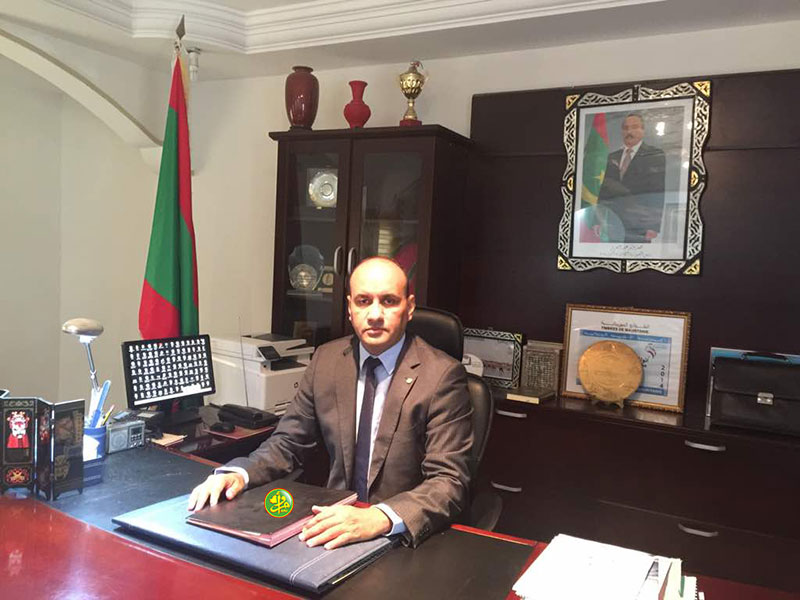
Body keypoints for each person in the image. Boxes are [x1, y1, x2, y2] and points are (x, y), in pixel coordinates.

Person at [188, 257, 473, 550]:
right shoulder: (326, 360)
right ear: (350, 308)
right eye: (364, 301)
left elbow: (448, 481)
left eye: (388, 301)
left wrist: (380, 517)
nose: (375, 314)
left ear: (409, 307)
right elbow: (288, 442)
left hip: (397, 536)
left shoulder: (441, 376)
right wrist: (239, 473)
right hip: (330, 524)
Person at [596, 113, 666, 243]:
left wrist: (653, 226)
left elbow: (657, 191)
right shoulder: (612, 157)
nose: (629, 132)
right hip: (612, 222)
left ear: (643, 130)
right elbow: (604, 192)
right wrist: (598, 220)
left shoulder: (654, 155)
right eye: (626, 128)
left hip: (639, 223)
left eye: (634, 127)